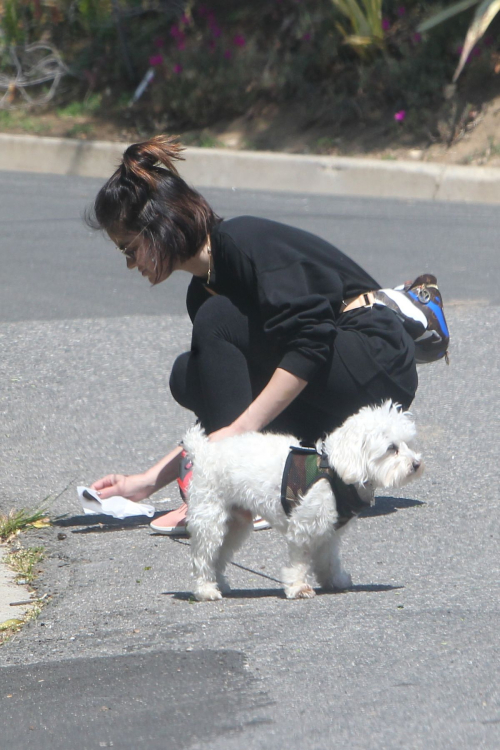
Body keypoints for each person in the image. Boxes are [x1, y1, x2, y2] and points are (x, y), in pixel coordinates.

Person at [88, 134, 419, 535]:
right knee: (188, 376)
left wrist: (236, 443)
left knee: (218, 321)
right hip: (330, 383)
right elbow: (222, 403)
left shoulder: (245, 242)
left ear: (159, 227)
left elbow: (311, 342)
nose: (130, 264)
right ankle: (284, 483)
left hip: (375, 357)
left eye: (130, 249)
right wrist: (145, 481)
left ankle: (241, 496)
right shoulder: (203, 290)